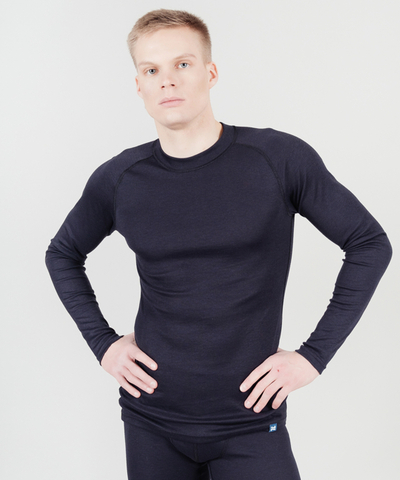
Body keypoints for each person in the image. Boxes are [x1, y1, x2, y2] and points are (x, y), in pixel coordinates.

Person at [45, 8, 392, 480]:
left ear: (210, 73)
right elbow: (62, 253)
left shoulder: (277, 159)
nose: (167, 80)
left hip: (250, 421)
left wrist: (313, 356)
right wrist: (102, 344)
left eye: (182, 64)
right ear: (139, 86)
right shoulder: (120, 179)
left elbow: (369, 243)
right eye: (152, 70)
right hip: (150, 420)